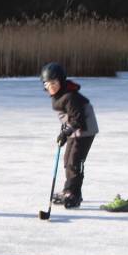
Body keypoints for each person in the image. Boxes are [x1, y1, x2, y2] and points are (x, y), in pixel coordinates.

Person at [41, 62, 99, 209]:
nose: (51, 86)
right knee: (68, 160)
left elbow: (77, 119)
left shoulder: (69, 97)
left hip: (85, 130)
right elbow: (68, 117)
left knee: (74, 161)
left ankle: (73, 194)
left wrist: (66, 133)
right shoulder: (60, 96)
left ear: (61, 80)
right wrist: (65, 134)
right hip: (77, 130)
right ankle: (70, 191)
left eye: (54, 83)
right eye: (47, 84)